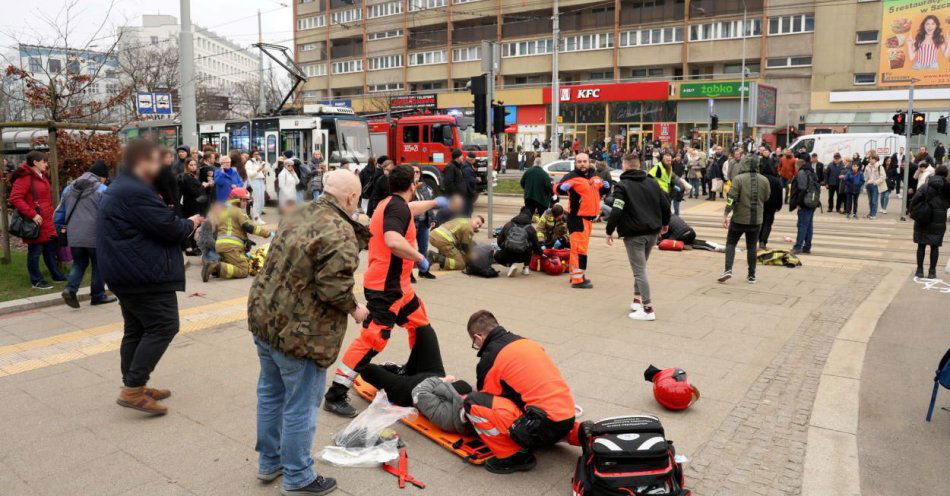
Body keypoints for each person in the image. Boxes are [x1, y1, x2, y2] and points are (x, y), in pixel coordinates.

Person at [247, 170, 369, 496]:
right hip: (301, 333)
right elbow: (334, 289)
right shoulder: (340, 233)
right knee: (300, 404)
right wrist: (357, 309)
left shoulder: (298, 211)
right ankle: (298, 476)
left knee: (271, 394)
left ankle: (269, 463)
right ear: (351, 198)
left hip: (265, 317)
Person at [323, 165, 446, 417]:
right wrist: (419, 257)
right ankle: (335, 394)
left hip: (400, 288)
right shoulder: (395, 207)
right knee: (373, 339)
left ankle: (415, 370)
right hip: (387, 289)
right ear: (412, 186)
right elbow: (392, 240)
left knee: (420, 322)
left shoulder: (389, 204)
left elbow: (410, 209)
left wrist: (433, 202)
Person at [97, 139, 204, 415]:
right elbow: (169, 228)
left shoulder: (124, 186)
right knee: (164, 325)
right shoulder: (135, 192)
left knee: (136, 329)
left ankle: (135, 384)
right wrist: (191, 222)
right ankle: (133, 390)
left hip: (127, 271)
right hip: (142, 274)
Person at [463, 310, 577, 474]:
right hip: (566, 415)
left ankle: (513, 457)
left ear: (478, 338)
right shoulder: (526, 342)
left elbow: (488, 398)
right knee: (539, 405)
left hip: (540, 427)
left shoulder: (490, 359)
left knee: (473, 402)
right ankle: (578, 433)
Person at [605, 154, 670, 321]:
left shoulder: (622, 186)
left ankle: (648, 309)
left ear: (625, 166)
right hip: (652, 233)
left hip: (634, 234)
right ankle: (637, 300)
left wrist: (609, 229)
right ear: (639, 165)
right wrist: (665, 223)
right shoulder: (652, 182)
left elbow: (617, 209)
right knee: (641, 268)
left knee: (639, 270)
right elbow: (665, 204)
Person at [54, 160, 115, 308]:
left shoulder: (69, 188)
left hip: (74, 236)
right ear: (101, 177)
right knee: (99, 265)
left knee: (79, 263)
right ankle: (98, 296)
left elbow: (58, 214)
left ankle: (70, 289)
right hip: (96, 235)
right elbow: (110, 214)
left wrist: (60, 230)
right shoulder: (102, 189)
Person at [9, 150, 66, 289]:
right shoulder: (25, 177)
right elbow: (15, 198)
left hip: (46, 220)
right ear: (35, 162)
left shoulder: (42, 176)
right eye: (44, 161)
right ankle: (36, 280)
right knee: (35, 252)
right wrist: (32, 214)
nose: (46, 164)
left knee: (49, 249)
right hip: (35, 222)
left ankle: (56, 275)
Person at [558, 152, 609, 289]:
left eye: (584, 161)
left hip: (588, 219)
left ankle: (577, 274)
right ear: (575, 163)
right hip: (577, 218)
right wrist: (560, 188)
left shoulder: (594, 175)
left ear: (588, 162)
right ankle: (577, 280)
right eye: (579, 161)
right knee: (578, 250)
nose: (582, 164)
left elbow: (600, 191)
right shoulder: (571, 176)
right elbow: (556, 188)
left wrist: (605, 187)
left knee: (582, 249)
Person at [201, 188, 273, 281]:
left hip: (220, 245)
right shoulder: (238, 211)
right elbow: (249, 227)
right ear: (238, 200)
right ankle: (215, 266)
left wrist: (245, 241)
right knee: (243, 269)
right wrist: (267, 233)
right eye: (244, 200)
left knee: (231, 265)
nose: (246, 203)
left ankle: (217, 269)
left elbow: (232, 229)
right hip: (231, 247)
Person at [720, 155, 770, 284]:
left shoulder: (738, 179)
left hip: (738, 218)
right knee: (752, 247)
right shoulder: (764, 180)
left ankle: (728, 270)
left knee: (731, 243)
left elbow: (731, 198)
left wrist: (726, 214)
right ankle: (751, 275)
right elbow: (766, 197)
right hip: (756, 220)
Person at [910, 165, 949, 279]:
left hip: (923, 218)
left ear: (935, 173)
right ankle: (932, 272)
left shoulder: (925, 185)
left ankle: (919, 270)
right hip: (939, 220)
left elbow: (915, 199)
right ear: (946, 175)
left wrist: (911, 211)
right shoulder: (947, 188)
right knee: (934, 247)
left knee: (921, 245)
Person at [495, 207, 542, 277]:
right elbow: (536, 246)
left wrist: (505, 246)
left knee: (496, 255)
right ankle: (526, 268)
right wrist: (541, 253)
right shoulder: (530, 228)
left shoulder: (509, 224)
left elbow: (499, 241)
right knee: (530, 244)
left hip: (508, 254)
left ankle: (511, 265)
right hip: (523, 256)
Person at [412, 164, 437, 280]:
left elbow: (429, 204)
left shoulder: (424, 186)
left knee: (423, 248)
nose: (416, 174)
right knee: (410, 249)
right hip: (412, 223)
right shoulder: (406, 187)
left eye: (418, 172)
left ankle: (424, 270)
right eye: (413, 172)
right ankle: (408, 273)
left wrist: (432, 218)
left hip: (424, 222)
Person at [789, 159, 818, 255]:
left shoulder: (801, 173)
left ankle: (798, 247)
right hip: (812, 201)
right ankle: (807, 247)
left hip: (805, 203)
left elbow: (802, 189)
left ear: (798, 166)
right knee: (808, 226)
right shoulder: (810, 172)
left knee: (802, 225)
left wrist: (799, 203)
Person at [179, 159, 206, 256]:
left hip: (195, 204)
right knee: (191, 225)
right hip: (189, 205)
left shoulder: (193, 176)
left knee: (195, 226)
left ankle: (193, 246)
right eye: (191, 165)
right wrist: (203, 186)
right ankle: (188, 248)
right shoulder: (187, 177)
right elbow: (194, 192)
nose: (193, 166)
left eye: (195, 164)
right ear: (187, 166)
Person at [758, 159, 784, 249]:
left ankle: (758, 238)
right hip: (772, 206)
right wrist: (779, 206)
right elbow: (780, 194)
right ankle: (763, 241)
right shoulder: (776, 181)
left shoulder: (760, 179)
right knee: (768, 224)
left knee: (759, 222)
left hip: (760, 204)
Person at [246, 150, 269, 224]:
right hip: (254, 181)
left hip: (261, 181)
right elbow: (250, 174)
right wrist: (259, 169)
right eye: (255, 154)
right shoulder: (249, 163)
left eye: (258, 154)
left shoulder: (258, 162)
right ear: (252, 155)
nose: (257, 155)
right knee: (257, 200)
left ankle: (258, 217)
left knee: (262, 200)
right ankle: (256, 218)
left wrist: (262, 163)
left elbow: (266, 170)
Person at [863, 153, 885, 220]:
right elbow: (865, 175)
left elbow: (883, 176)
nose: (870, 160)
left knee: (874, 201)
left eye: (872, 159)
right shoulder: (867, 166)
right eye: (869, 159)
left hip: (875, 185)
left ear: (875, 159)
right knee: (870, 201)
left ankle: (874, 215)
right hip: (869, 185)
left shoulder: (879, 166)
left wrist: (875, 182)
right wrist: (866, 183)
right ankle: (871, 213)